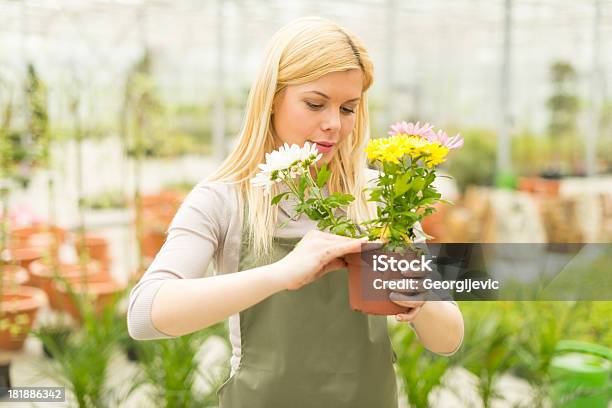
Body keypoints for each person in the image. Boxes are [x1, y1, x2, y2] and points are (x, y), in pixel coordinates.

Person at [127, 16, 463, 408]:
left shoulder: (379, 197)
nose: (334, 124)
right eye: (315, 104)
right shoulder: (224, 200)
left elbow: (448, 338)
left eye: (349, 108)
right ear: (272, 99)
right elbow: (144, 314)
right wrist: (281, 273)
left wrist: (419, 300)